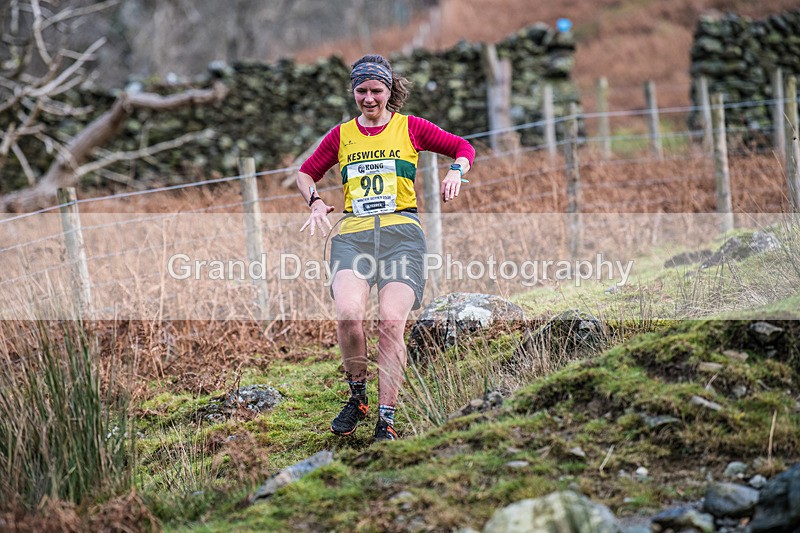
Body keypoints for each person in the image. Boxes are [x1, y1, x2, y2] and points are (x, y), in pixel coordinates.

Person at [297, 54, 475, 442]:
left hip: (401, 239)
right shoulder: (341, 135)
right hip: (353, 238)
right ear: (353, 92)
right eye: (361, 91)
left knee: (392, 323)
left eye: (376, 90)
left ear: (389, 90)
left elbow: (463, 146)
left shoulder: (411, 128)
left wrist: (456, 172)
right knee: (348, 315)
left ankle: (387, 419)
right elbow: (305, 172)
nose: (369, 98)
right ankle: (358, 396)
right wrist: (313, 201)